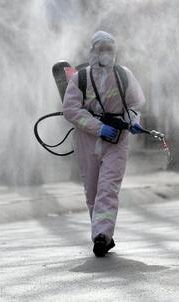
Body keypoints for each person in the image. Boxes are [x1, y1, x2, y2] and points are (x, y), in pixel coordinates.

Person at [62, 31, 145, 257]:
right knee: (92, 191)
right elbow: (70, 109)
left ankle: (101, 236)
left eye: (110, 49)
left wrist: (133, 120)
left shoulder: (123, 75)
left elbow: (135, 103)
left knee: (108, 189)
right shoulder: (80, 78)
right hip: (87, 140)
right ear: (93, 51)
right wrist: (97, 127)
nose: (106, 53)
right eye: (102, 49)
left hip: (117, 140)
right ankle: (101, 231)